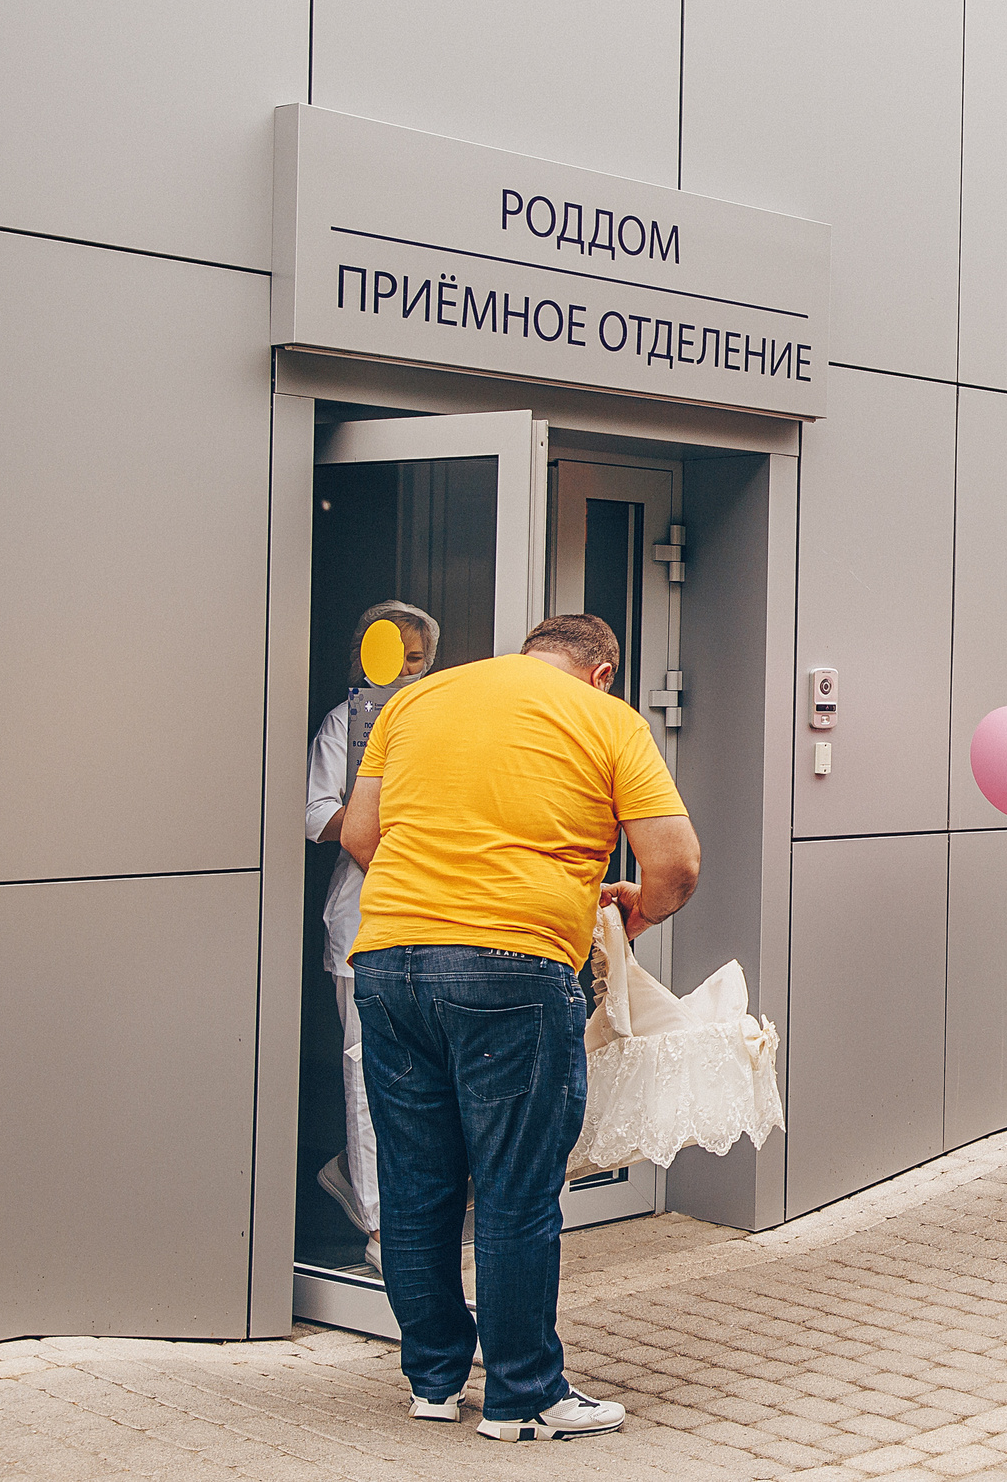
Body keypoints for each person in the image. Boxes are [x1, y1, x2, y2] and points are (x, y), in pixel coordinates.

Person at [344, 614, 702, 1441]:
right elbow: (676, 862)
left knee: (416, 1183)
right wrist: (636, 912)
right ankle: (522, 1395)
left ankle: (433, 1380)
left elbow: (363, 834)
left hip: (390, 960)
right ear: (602, 671)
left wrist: (432, 897)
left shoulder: (416, 701)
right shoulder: (607, 718)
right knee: (514, 1187)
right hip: (514, 963)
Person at [303, 601, 441, 1278]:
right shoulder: (345, 724)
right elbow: (315, 813)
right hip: (362, 923)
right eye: (395, 655)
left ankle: (352, 1178)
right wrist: (384, 821)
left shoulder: (440, 726)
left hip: (432, 920)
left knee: (420, 1075)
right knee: (365, 1073)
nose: (407, 669)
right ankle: (383, 1231)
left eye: (417, 658)